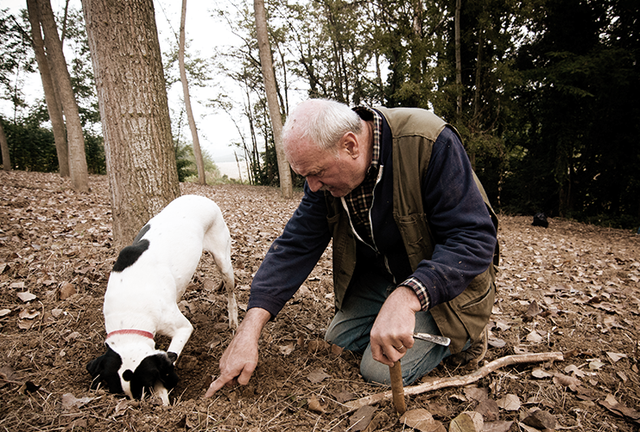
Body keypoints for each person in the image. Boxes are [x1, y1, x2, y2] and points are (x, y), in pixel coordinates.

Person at [204, 99, 498, 397]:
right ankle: (395, 310)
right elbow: (296, 245)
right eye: (306, 176)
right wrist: (249, 331)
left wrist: (407, 297)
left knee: (378, 370)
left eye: (316, 173)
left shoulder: (428, 142)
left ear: (350, 145)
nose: (313, 187)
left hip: (448, 285)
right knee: (339, 339)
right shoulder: (325, 172)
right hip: (388, 276)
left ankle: (467, 337)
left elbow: (473, 237)